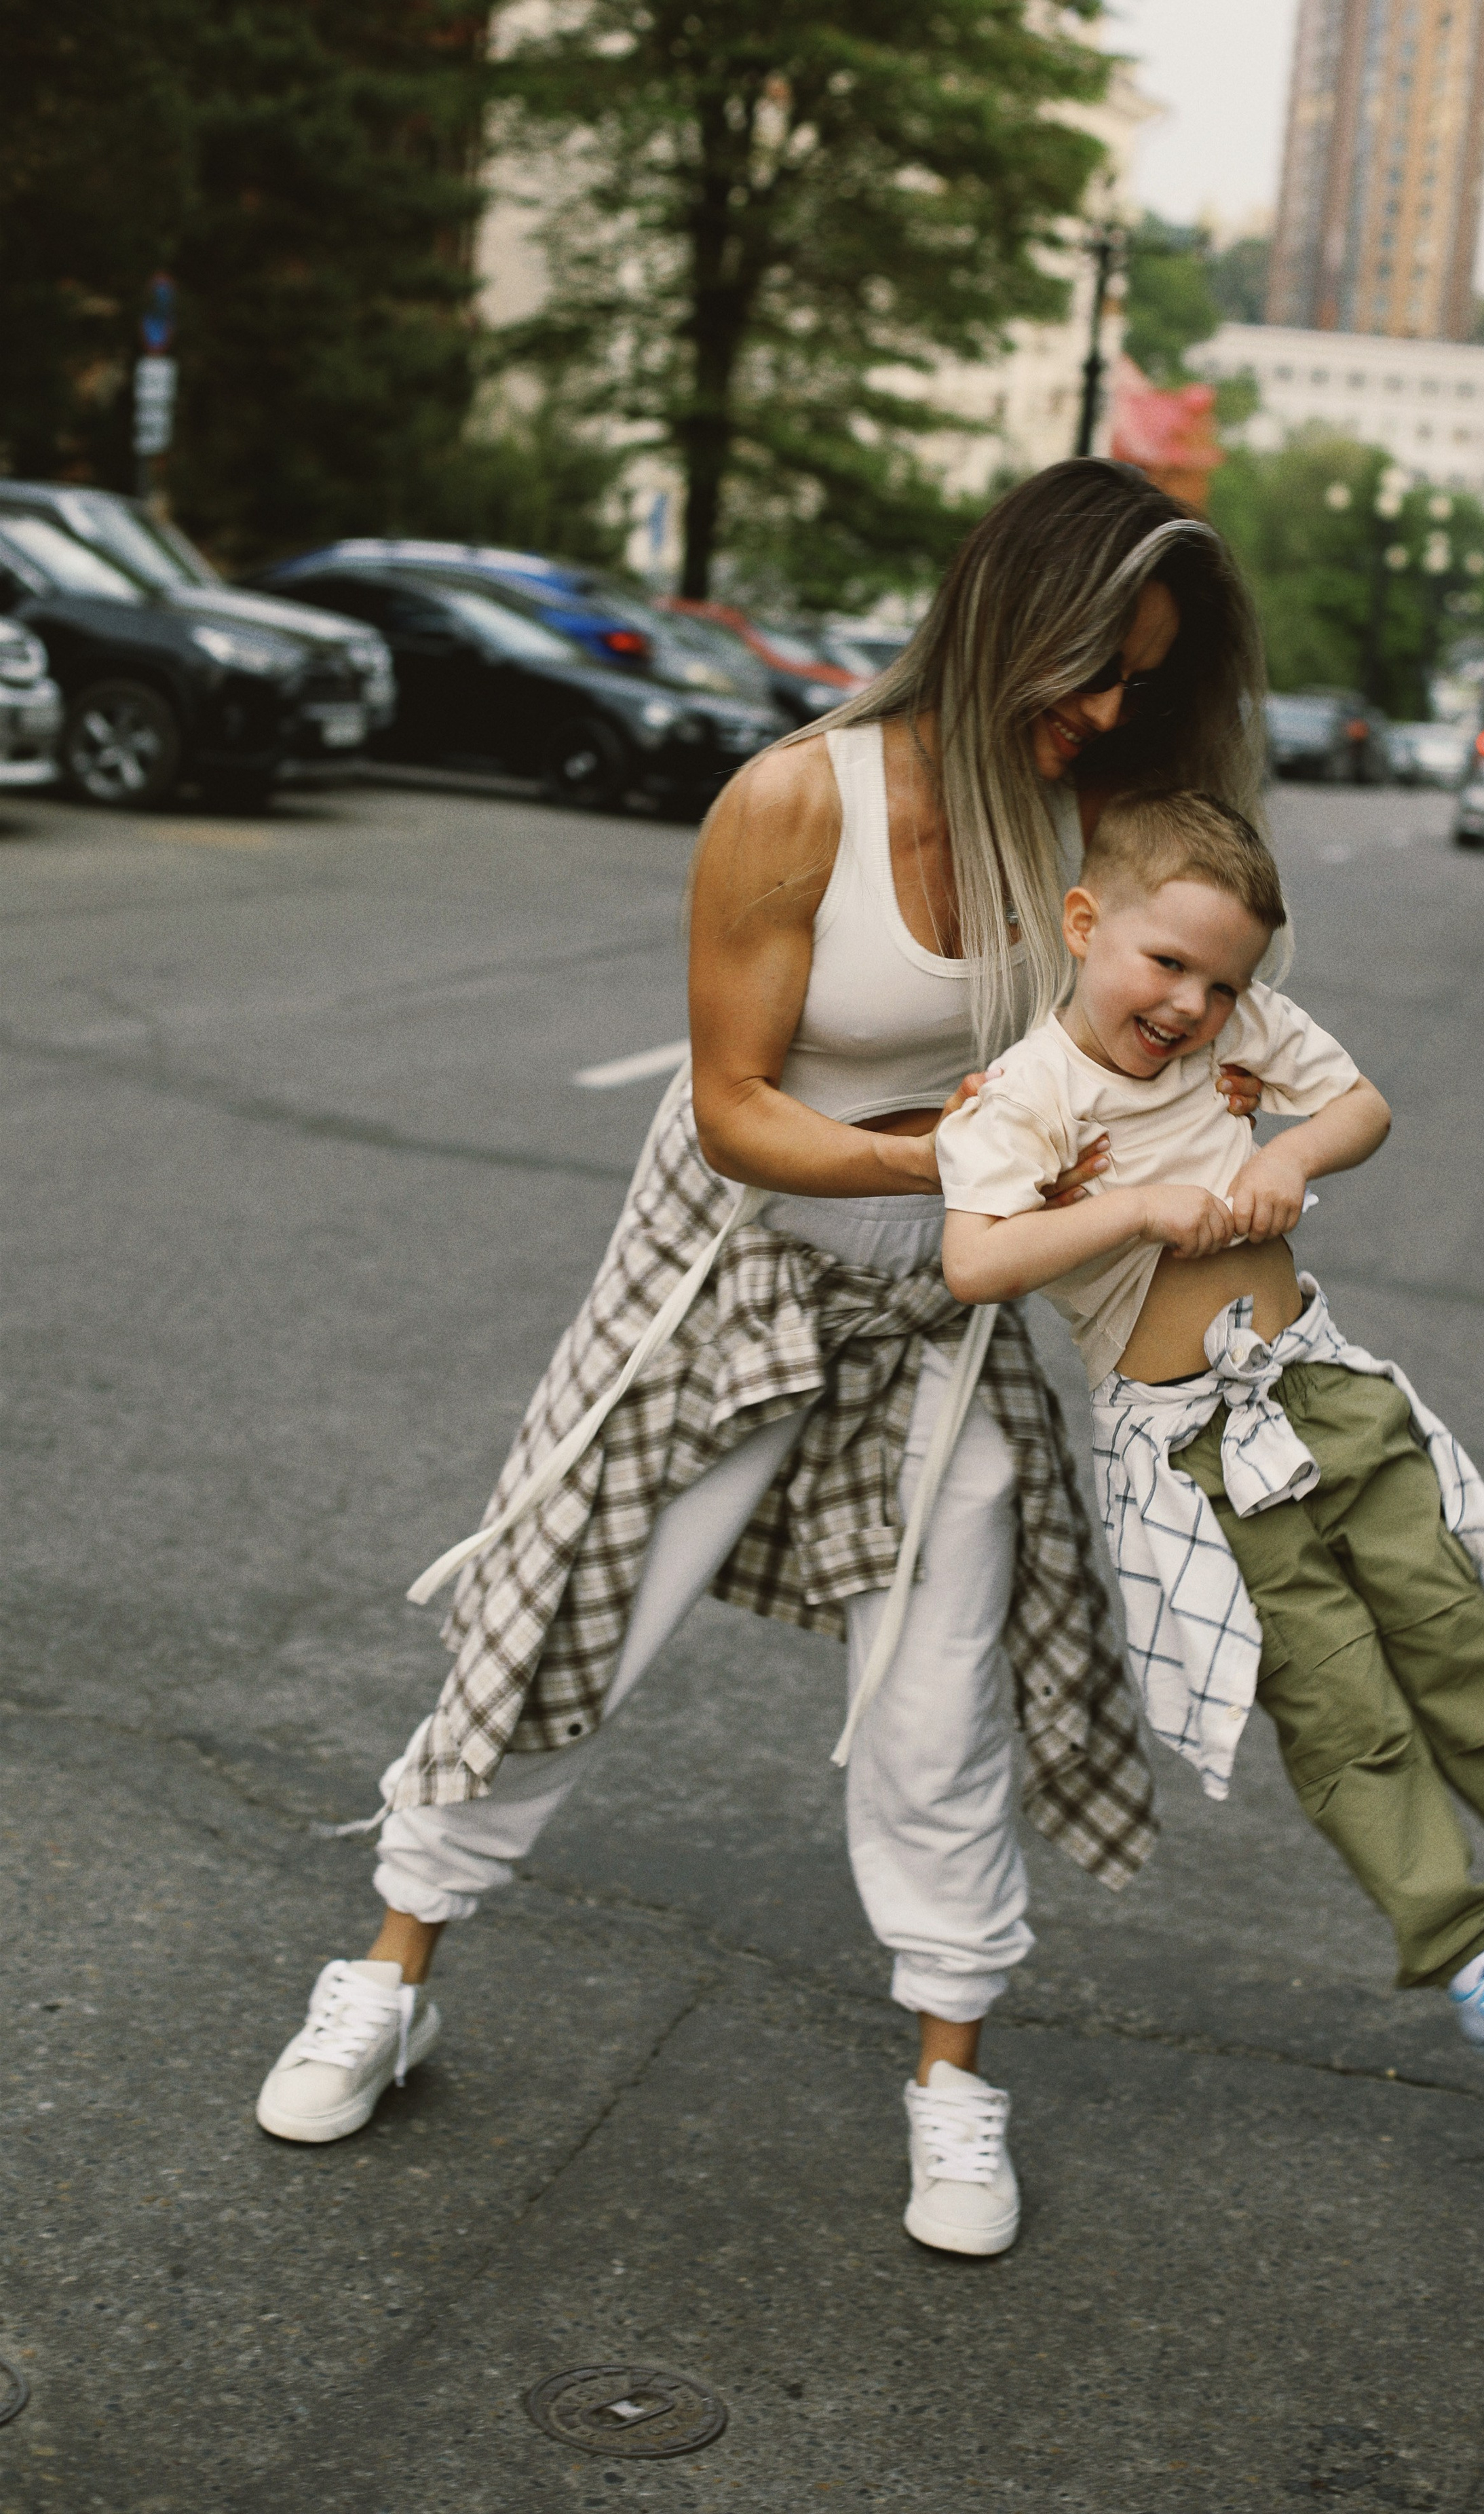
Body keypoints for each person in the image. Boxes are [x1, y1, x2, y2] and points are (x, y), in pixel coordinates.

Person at [254, 460, 1273, 2258]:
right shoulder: (795, 804)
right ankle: (389, 1973)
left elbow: (1183, 1044)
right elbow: (735, 1111)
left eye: (1145, 678)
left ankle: (953, 2086)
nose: (1110, 711)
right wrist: (950, 1166)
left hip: (938, 1327)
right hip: (729, 1279)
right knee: (566, 1611)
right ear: (999, 621)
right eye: (1092, 665)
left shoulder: (1103, 828)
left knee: (944, 1706)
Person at [936, 791, 1484, 2071]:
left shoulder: (1232, 1038)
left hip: (1321, 1386)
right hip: (1195, 1458)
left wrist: (1291, 1161)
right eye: (1166, 963)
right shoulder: (1024, 1097)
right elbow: (976, 1260)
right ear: (1083, 923)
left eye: (1222, 984)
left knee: (1456, 1631)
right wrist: (1133, 1212)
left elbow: (1359, 1107)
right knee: (1341, 1701)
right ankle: (1468, 1949)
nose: (1191, 1006)